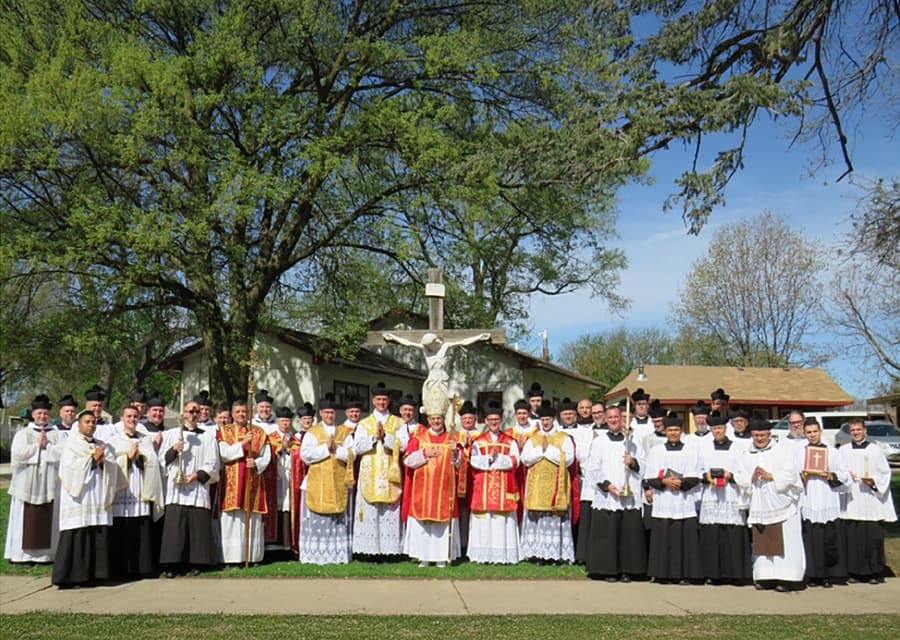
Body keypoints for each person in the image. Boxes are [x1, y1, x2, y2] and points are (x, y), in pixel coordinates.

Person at [734, 416, 806, 592]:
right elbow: (739, 475)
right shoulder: (746, 454)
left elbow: (792, 474)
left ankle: (789, 578)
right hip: (760, 502)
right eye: (756, 435)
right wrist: (750, 478)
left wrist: (771, 476)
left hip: (781, 501)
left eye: (763, 435)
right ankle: (765, 576)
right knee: (762, 539)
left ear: (769, 434)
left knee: (787, 540)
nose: (759, 439)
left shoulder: (782, 451)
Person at [51, 409, 118, 588]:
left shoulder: (102, 444)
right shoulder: (72, 444)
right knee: (77, 532)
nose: (91, 425)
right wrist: (93, 459)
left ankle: (97, 574)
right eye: (87, 422)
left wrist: (103, 461)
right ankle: (72, 576)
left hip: (96, 494)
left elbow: (112, 466)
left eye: (93, 422)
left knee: (96, 530)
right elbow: (69, 467)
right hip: (78, 496)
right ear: (79, 424)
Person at [158, 400, 220, 577]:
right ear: (183, 413)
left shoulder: (208, 437)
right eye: (190, 411)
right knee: (175, 527)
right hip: (176, 488)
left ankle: (197, 562)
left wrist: (196, 475)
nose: (193, 415)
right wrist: (173, 449)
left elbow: (213, 463)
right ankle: (172, 564)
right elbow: (161, 460)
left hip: (197, 486)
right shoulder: (171, 435)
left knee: (197, 526)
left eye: (196, 412)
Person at [585, 404, 646, 581]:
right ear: (606, 419)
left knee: (629, 534)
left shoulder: (633, 441)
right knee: (608, 535)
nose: (613, 420)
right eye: (610, 417)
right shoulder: (599, 442)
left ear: (622, 419)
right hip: (608, 495)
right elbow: (593, 468)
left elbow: (644, 465)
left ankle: (628, 570)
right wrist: (608, 486)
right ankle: (608, 570)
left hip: (628, 495)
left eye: (616, 417)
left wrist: (633, 462)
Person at [643, 414, 703, 584]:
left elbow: (695, 476)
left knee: (684, 541)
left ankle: (685, 574)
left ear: (681, 431)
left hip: (684, 501)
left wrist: (679, 483)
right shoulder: (656, 451)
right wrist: (664, 482)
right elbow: (649, 476)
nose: (673, 433)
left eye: (676, 430)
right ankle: (662, 574)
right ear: (665, 431)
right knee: (663, 540)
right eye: (670, 430)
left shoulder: (690, 451)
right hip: (663, 501)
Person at [4, 394, 65, 564]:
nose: (42, 416)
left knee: (50, 515)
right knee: (24, 517)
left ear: (49, 414)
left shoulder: (57, 434)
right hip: (26, 481)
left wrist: (48, 446)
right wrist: (37, 446)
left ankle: (47, 555)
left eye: (45, 413)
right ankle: (22, 555)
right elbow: (17, 454)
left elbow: (64, 453)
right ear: (33, 414)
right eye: (39, 413)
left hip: (50, 481)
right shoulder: (23, 433)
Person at [108, 403, 165, 580]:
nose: (132, 419)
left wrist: (141, 457)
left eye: (135, 416)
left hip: (140, 487)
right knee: (122, 527)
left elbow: (153, 462)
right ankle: (121, 569)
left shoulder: (145, 439)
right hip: (123, 489)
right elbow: (110, 463)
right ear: (122, 419)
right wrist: (127, 457)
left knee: (140, 527)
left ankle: (142, 567)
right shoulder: (114, 440)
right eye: (129, 416)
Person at [838, 417, 897, 584]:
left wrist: (874, 482)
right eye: (853, 430)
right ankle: (855, 572)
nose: (856, 432)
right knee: (854, 537)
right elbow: (839, 471)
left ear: (865, 430)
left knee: (872, 537)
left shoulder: (875, 450)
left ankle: (874, 572)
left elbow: (885, 472)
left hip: (870, 499)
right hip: (852, 498)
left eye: (859, 429)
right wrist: (846, 477)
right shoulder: (844, 450)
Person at [401, 410, 463, 567]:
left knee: (442, 523)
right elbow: (407, 461)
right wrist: (424, 453)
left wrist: (456, 453)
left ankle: (442, 557)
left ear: (444, 419)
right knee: (423, 521)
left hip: (444, 488)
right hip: (422, 487)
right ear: (428, 420)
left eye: (439, 418)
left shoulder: (452, 439)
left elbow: (459, 465)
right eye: (433, 418)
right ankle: (424, 556)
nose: (436, 421)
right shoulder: (418, 438)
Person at [298, 397, 355, 564]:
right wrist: (325, 448)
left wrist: (336, 449)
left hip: (338, 481)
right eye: (326, 412)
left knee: (338, 516)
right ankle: (315, 554)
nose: (330, 415)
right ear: (321, 413)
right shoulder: (313, 432)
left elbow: (352, 454)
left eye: (332, 412)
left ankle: (337, 554)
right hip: (318, 480)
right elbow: (305, 455)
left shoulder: (343, 432)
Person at [697, 413, 751, 585]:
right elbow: (698, 470)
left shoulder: (738, 448)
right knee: (713, 534)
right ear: (711, 430)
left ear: (726, 428)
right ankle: (713, 574)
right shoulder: (704, 449)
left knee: (732, 534)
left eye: (720, 428)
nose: (717, 431)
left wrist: (731, 475)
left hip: (731, 494)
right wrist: (706, 476)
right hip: (712, 494)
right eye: (714, 428)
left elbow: (744, 471)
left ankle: (736, 574)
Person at [519, 404, 577, 563]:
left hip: (556, 485)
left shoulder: (563, 437)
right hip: (537, 485)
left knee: (554, 517)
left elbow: (569, 459)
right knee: (537, 517)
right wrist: (540, 451)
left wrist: (548, 450)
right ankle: (536, 553)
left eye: (548, 419)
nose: (545, 423)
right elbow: (525, 459)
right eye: (543, 420)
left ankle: (555, 554)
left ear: (554, 419)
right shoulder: (533, 438)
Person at [218, 397, 271, 565]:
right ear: (232, 414)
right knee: (231, 517)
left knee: (251, 516)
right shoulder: (224, 431)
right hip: (231, 482)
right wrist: (243, 443)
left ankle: (252, 556)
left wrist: (256, 463)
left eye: (244, 411)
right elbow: (224, 454)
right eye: (238, 412)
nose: (241, 414)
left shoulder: (259, 432)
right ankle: (231, 557)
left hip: (252, 480)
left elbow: (266, 456)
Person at [352, 383, 404, 556]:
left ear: (388, 401)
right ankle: (369, 550)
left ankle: (389, 551)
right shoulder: (364, 423)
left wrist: (386, 437)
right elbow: (357, 447)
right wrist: (374, 438)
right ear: (373, 400)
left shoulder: (398, 422)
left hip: (390, 471)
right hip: (370, 473)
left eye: (384, 399)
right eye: (378, 399)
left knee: (389, 511)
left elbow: (404, 445)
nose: (381, 402)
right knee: (370, 511)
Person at [797, 417, 849, 587]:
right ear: (804, 434)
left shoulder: (832, 452)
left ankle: (828, 575)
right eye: (809, 432)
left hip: (827, 497)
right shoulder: (800, 453)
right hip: (809, 498)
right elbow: (793, 477)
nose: (812, 435)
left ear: (820, 431)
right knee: (811, 539)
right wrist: (803, 476)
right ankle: (813, 575)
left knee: (829, 539)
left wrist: (831, 475)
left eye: (815, 431)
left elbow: (844, 474)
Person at [467, 402, 520, 564]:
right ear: (486, 421)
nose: (494, 422)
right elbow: (473, 461)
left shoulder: (510, 441)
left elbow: (516, 461)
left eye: (496, 419)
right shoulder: (479, 441)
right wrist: (490, 459)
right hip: (483, 486)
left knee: (501, 520)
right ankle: (482, 554)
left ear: (501, 420)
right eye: (490, 420)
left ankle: (502, 554)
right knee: (484, 520)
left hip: (504, 486)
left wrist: (499, 459)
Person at [263, 406, 304, 558]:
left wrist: (289, 452)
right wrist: (279, 451)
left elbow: (300, 459)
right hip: (274, 480)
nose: (285, 424)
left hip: (290, 481)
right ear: (277, 422)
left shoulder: (295, 440)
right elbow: (266, 458)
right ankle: (272, 547)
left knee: (288, 509)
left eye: (287, 421)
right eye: (282, 421)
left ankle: (288, 546)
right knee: (275, 508)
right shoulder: (270, 438)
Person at [559, 398, 593, 564]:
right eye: (565, 414)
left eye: (571, 414)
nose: (568, 416)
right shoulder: (557, 431)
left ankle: (578, 548)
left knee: (579, 511)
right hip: (560, 477)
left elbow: (585, 453)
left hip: (578, 476)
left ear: (576, 415)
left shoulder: (585, 431)